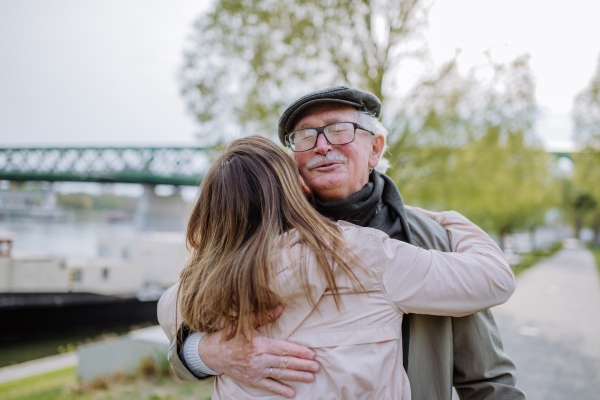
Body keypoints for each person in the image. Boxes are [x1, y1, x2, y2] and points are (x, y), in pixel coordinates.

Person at [159, 87, 527, 399]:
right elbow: (184, 320)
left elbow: (487, 377)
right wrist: (205, 352)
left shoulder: (432, 239)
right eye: (305, 136)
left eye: (340, 130)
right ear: (292, 163)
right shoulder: (253, 242)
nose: (322, 146)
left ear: (375, 149)